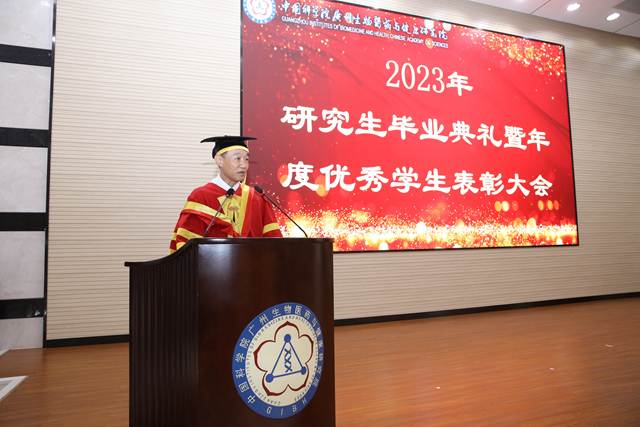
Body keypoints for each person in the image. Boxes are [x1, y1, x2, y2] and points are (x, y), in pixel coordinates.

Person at [169, 135, 282, 254]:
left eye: (246, 159)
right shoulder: (200, 197)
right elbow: (186, 247)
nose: (243, 165)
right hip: (211, 265)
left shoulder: (257, 198)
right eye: (237, 158)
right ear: (219, 160)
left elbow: (274, 243)